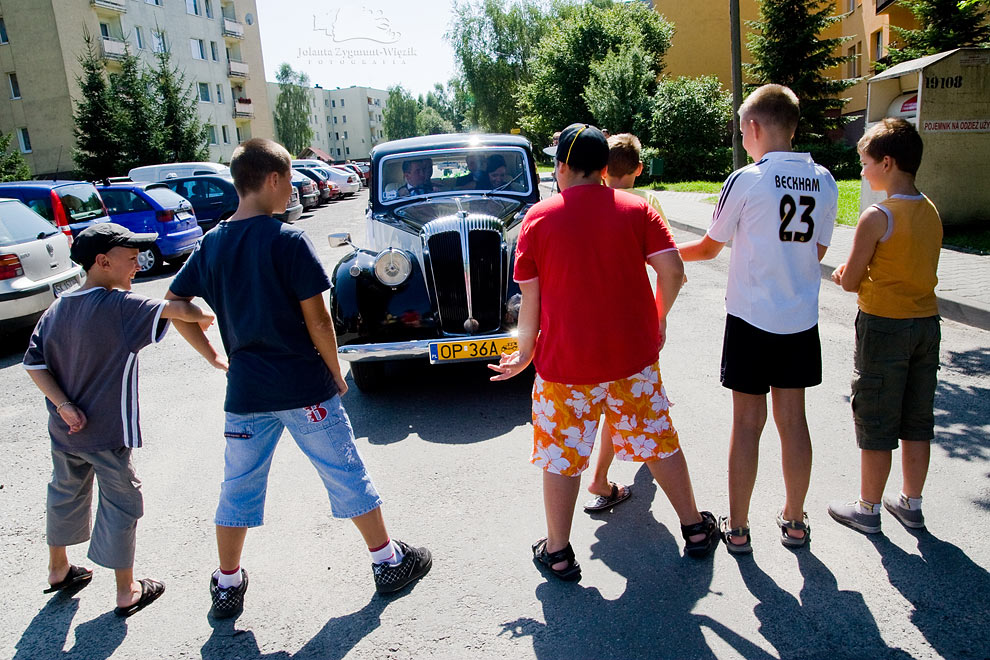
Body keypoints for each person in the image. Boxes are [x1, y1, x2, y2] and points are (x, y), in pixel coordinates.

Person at [166, 138, 431, 619]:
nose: (292, 190)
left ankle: (227, 583)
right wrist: (336, 371)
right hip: (304, 386)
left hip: (245, 392)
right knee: (345, 471)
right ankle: (387, 561)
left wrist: (211, 355)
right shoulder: (286, 241)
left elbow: (175, 304)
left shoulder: (213, 243)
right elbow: (319, 320)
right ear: (271, 180)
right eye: (289, 180)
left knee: (237, 486)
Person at [490, 123, 719, 581]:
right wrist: (658, 318)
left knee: (562, 457)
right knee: (658, 440)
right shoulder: (636, 210)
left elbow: (530, 301)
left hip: (564, 367)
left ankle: (557, 552)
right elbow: (672, 271)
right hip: (631, 360)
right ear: (601, 168)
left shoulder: (538, 218)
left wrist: (524, 353)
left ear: (560, 167)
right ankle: (694, 529)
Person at [23, 223, 216, 617]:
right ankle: (126, 590)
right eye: (130, 260)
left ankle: (58, 569)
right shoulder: (120, 307)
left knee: (64, 492)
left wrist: (63, 405)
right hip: (108, 431)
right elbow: (179, 309)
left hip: (65, 431)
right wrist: (204, 315)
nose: (137, 267)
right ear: (102, 261)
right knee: (123, 503)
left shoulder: (56, 308)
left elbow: (34, 365)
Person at [679, 84, 838, 553]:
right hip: (800, 319)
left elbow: (709, 247)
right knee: (794, 421)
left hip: (750, 319)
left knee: (747, 423)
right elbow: (820, 250)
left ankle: (740, 528)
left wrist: (658, 253)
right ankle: (794, 520)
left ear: (752, 128)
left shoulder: (746, 179)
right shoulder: (825, 179)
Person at [826, 118, 942, 534]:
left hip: (884, 326)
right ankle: (911, 502)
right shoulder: (929, 209)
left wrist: (841, 273)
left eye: (865, 163)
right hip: (926, 325)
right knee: (916, 418)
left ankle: (869, 508)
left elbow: (853, 279)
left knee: (875, 415)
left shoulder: (877, 216)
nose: (862, 171)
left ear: (887, 163)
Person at [580, 132, 675, 514]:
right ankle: (604, 475)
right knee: (632, 401)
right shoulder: (646, 203)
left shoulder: (591, 201)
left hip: (591, 319)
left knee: (604, 402)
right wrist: (660, 316)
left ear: (603, 170)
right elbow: (670, 265)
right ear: (639, 168)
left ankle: (601, 476)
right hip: (634, 321)